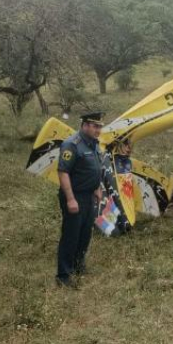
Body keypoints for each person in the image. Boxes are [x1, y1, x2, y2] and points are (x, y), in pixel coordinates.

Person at [55, 111, 104, 287]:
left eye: (100, 126)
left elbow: (95, 168)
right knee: (71, 235)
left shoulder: (94, 144)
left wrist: (97, 188)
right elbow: (63, 172)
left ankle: (77, 265)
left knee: (85, 233)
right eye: (95, 126)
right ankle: (63, 275)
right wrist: (70, 199)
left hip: (89, 195)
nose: (98, 129)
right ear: (84, 125)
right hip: (75, 196)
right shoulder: (71, 144)